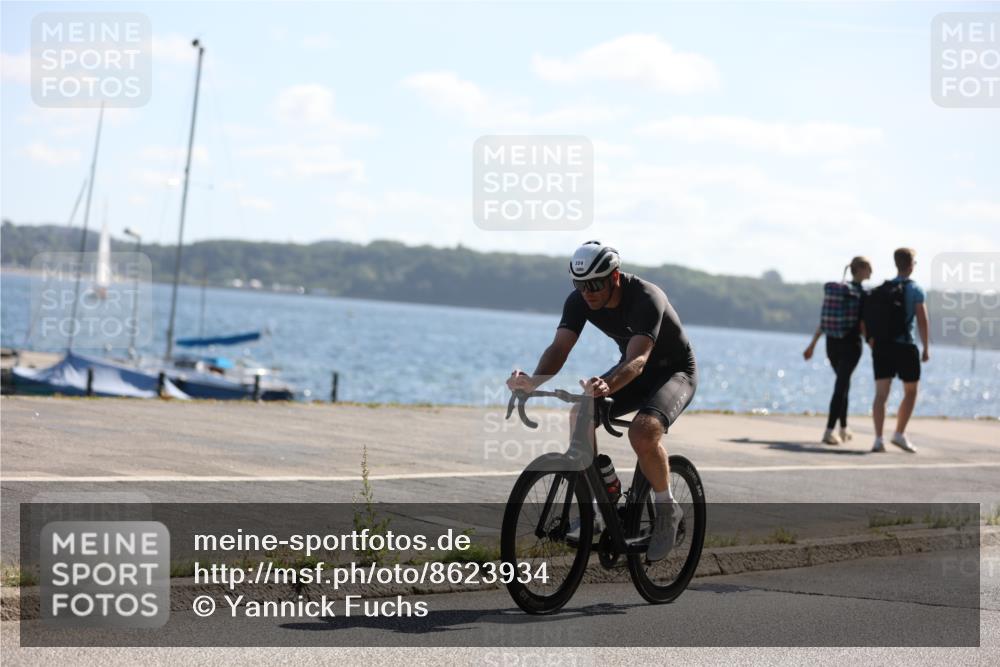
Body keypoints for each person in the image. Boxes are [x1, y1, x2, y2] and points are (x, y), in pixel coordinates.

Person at [506, 241, 697, 562]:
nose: (588, 292)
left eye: (595, 284)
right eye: (580, 285)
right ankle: (600, 501)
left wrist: (606, 383)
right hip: (632, 372)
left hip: (673, 373)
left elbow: (638, 360)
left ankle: (667, 511)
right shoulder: (580, 300)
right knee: (580, 410)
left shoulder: (646, 297)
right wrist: (533, 381)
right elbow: (559, 348)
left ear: (615, 277)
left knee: (643, 431)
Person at [803, 257, 872, 445]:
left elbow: (824, 322)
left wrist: (812, 345)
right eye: (869, 268)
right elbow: (864, 324)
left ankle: (843, 428)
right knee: (841, 386)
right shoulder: (862, 294)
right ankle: (829, 430)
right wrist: (871, 343)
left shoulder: (836, 292)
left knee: (843, 385)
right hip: (851, 345)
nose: (871, 272)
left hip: (831, 344)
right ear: (862, 269)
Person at [868, 248, 929, 453]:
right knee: (911, 391)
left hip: (882, 346)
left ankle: (878, 439)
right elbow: (922, 320)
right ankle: (899, 433)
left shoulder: (882, 289)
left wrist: (870, 340)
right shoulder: (916, 290)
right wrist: (926, 348)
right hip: (905, 346)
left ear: (896, 264)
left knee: (881, 394)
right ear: (911, 264)